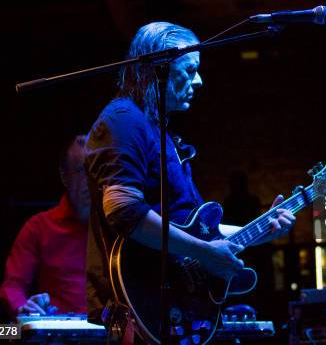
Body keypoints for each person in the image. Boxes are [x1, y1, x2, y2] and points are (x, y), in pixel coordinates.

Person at [84, 22, 295, 326]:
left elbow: (194, 230)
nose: (199, 81)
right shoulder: (124, 120)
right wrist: (206, 253)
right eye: (190, 69)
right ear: (158, 68)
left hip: (170, 301)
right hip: (139, 303)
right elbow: (124, 210)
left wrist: (263, 230)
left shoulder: (161, 132)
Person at [0, 135, 91, 316]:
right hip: (60, 334)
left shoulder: (116, 227)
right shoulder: (38, 228)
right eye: (81, 170)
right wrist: (23, 306)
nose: (90, 179)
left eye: (96, 170)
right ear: (64, 177)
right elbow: (13, 286)